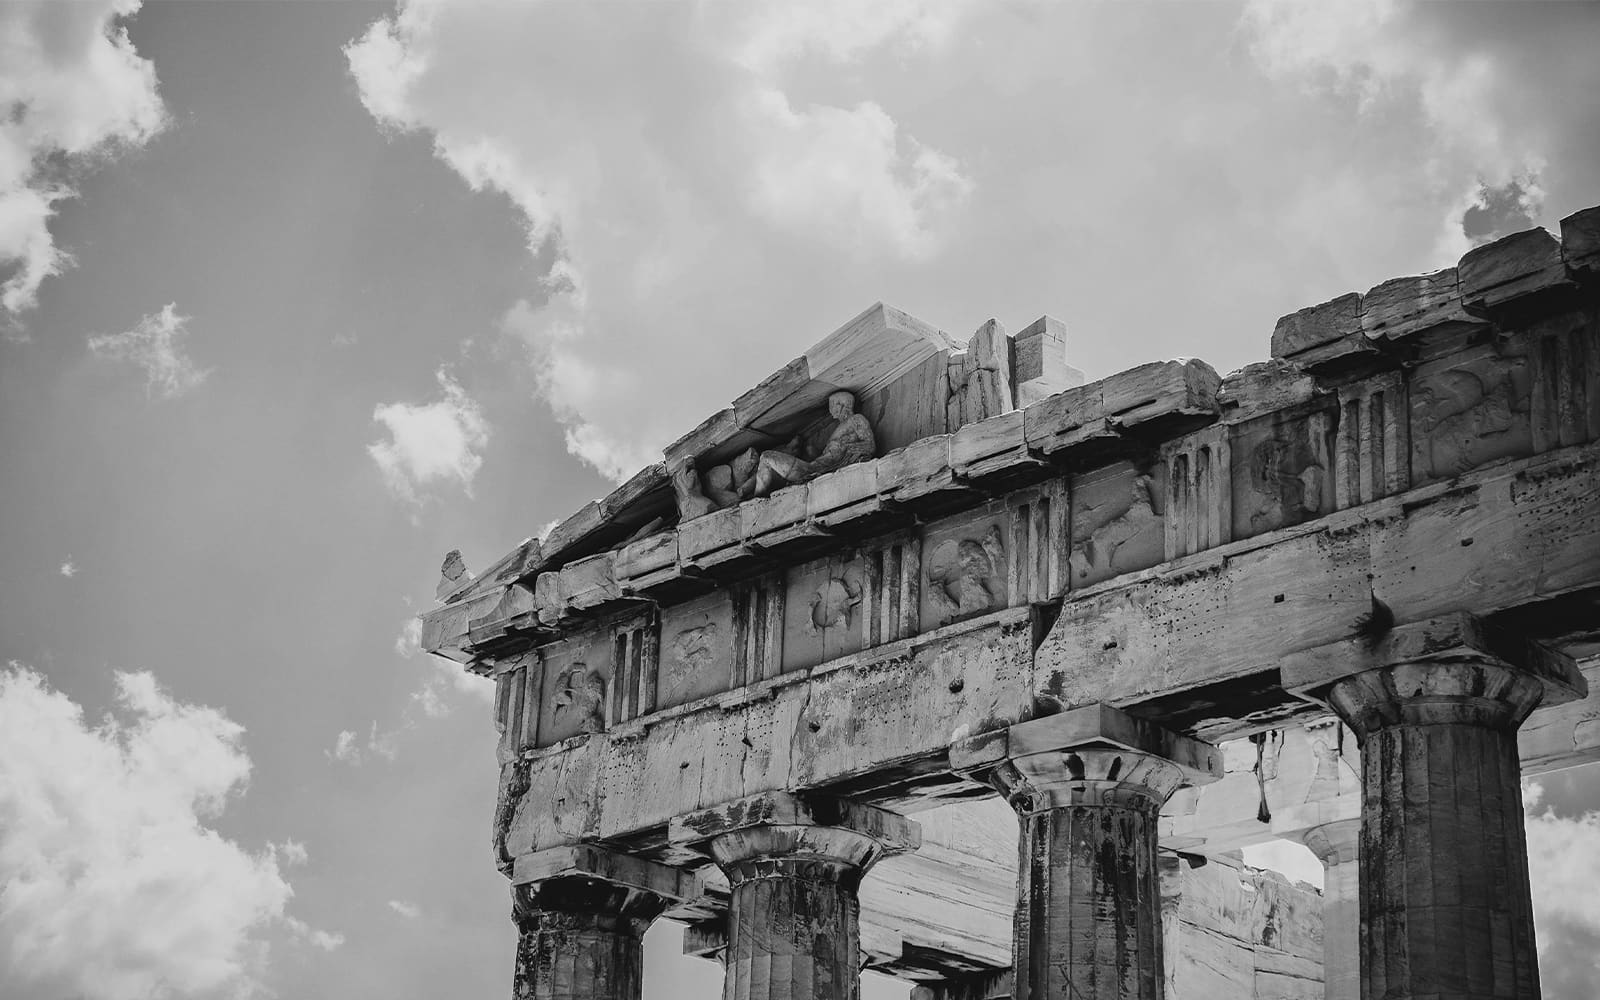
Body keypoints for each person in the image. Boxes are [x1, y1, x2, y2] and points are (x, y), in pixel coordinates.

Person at [753, 390, 875, 496]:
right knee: (766, 457)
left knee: (766, 457)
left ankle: (755, 500)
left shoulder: (856, 419)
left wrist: (844, 447)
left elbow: (870, 445)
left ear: (841, 405)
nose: (830, 409)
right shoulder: (841, 426)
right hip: (813, 467)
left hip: (813, 470)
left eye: (832, 404)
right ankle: (756, 498)